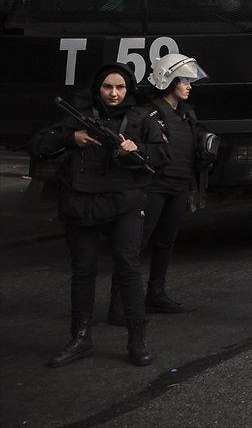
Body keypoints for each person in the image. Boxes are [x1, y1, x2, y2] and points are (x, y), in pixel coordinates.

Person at [32, 63, 167, 367]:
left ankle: (136, 339)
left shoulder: (140, 118)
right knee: (83, 272)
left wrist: (138, 147)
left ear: (128, 89)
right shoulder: (76, 117)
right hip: (81, 204)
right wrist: (72, 139)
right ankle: (81, 338)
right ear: (98, 89)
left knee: (128, 269)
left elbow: (162, 156)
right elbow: (38, 145)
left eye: (120, 87)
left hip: (125, 203)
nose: (114, 93)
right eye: (108, 87)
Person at [107, 54, 216, 326]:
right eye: (185, 80)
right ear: (168, 80)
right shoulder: (145, 114)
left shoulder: (187, 114)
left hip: (178, 188)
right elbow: (130, 150)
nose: (190, 85)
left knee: (165, 243)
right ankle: (119, 305)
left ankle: (155, 294)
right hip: (152, 188)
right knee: (136, 245)